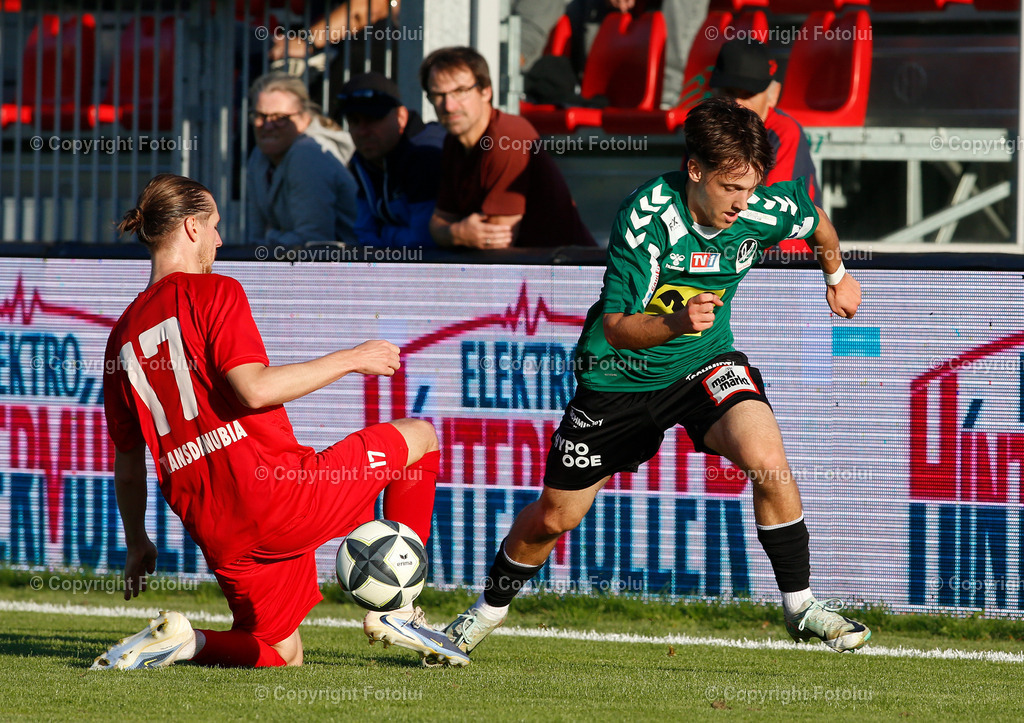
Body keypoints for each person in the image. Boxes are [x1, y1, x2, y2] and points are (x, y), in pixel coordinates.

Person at [441, 98, 871, 657]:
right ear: (695, 171)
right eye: (730, 189)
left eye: (750, 188)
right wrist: (676, 322)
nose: (743, 204)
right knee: (555, 516)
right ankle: (485, 611)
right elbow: (618, 327)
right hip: (618, 379)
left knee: (767, 458)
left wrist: (836, 275)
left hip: (703, 365)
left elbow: (812, 220)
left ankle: (801, 605)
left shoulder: (760, 208)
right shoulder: (645, 217)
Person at [93, 174, 469, 671]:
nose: (220, 240)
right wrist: (352, 358)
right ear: (190, 228)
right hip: (279, 493)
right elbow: (255, 388)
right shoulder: (214, 292)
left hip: (215, 524)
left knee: (281, 655)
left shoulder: (119, 337)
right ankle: (397, 609)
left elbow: (127, 460)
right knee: (421, 438)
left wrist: (138, 541)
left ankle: (186, 643)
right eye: (214, 227)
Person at [422, 46, 596, 250]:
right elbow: (437, 225)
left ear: (486, 91)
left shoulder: (508, 138)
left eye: (460, 92)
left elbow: (497, 245)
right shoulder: (453, 141)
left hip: (564, 274)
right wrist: (457, 234)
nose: (449, 106)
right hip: (523, 273)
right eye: (438, 95)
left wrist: (451, 233)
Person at [246, 72, 359, 246]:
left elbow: (314, 242)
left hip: (348, 267)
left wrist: (271, 237)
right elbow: (254, 240)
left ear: (304, 117)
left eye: (280, 118)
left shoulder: (309, 153)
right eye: (260, 116)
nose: (268, 126)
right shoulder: (259, 155)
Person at [335, 71, 445, 249]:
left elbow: (423, 244)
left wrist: (384, 232)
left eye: (372, 119)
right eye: (354, 121)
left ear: (401, 117)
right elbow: (363, 233)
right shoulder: (362, 160)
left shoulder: (426, 155)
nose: (362, 132)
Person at [709, 39, 821, 205]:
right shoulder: (705, 130)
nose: (737, 102)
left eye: (748, 94)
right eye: (728, 92)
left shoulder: (784, 132)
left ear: (773, 95)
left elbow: (772, 208)